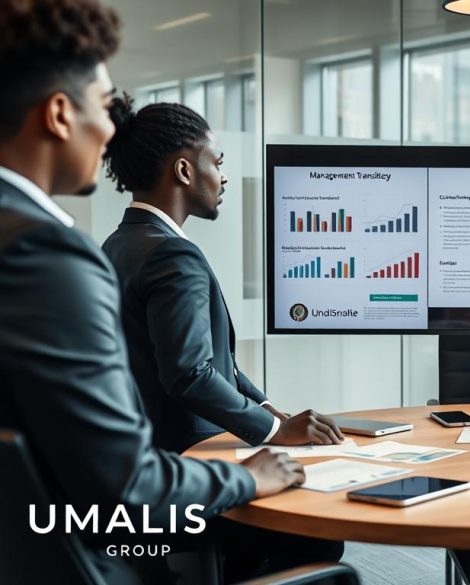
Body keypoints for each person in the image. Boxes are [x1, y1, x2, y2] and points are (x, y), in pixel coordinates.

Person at [0, 1, 304, 582]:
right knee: (312, 546)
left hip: (41, 538)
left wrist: (265, 411)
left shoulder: (103, 243)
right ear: (60, 114)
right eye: (102, 105)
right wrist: (252, 473)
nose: (112, 128)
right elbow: (128, 478)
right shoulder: (49, 254)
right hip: (104, 544)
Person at [100, 96, 345, 455]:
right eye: (217, 163)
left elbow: (212, 363)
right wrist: (275, 431)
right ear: (184, 171)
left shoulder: (119, 243)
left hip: (142, 448)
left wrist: (266, 410)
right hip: (191, 457)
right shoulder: (173, 255)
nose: (224, 176)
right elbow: (189, 374)